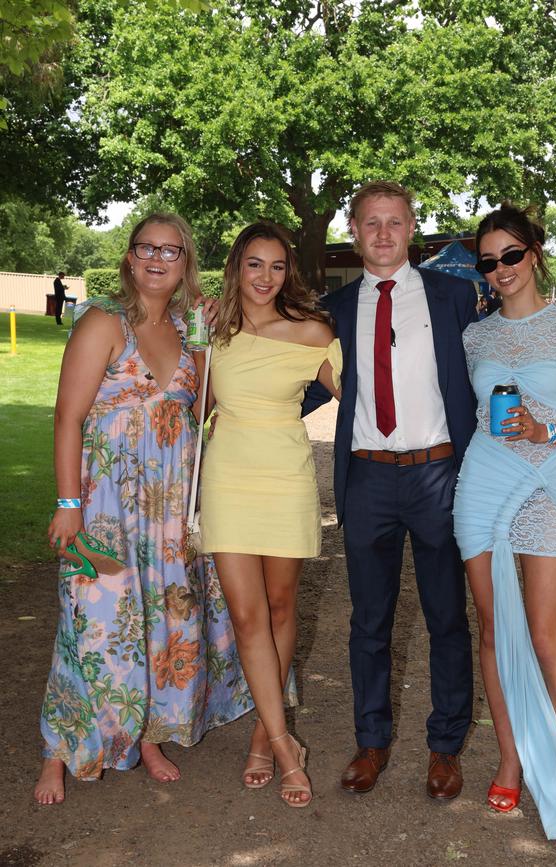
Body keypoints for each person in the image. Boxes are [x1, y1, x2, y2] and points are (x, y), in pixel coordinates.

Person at [34, 213, 250, 805]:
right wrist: (68, 503)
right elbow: (67, 417)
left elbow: (205, 406)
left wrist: (206, 337)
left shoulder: (186, 328)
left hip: (169, 507)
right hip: (104, 504)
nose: (157, 258)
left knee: (161, 623)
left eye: (171, 250)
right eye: (146, 248)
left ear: (186, 263)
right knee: (91, 621)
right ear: (130, 258)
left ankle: (147, 734)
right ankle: (61, 748)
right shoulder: (104, 321)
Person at [302, 181, 477, 800]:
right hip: (368, 476)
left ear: (411, 229)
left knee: (446, 617)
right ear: (354, 230)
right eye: (370, 223)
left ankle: (445, 748)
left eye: (395, 222)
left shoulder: (456, 296)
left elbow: (485, 375)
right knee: (369, 622)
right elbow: (298, 385)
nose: (382, 234)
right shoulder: (334, 309)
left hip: (437, 474)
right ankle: (371, 742)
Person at [453, 203, 556, 840]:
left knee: (548, 636)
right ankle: (511, 758)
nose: (501, 271)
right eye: (489, 262)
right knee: (494, 632)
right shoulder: (474, 337)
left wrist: (551, 430)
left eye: (511, 256)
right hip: (482, 487)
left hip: (544, 485)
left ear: (535, 253)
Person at [200, 222, 341, 809]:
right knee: (247, 614)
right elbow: (190, 404)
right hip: (228, 476)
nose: (265, 277)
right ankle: (286, 748)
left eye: (277, 266)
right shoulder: (212, 329)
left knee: (282, 607)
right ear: (236, 267)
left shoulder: (312, 332)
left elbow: (364, 398)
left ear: (290, 272)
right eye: (254, 265)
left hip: (286, 476)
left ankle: (263, 731)